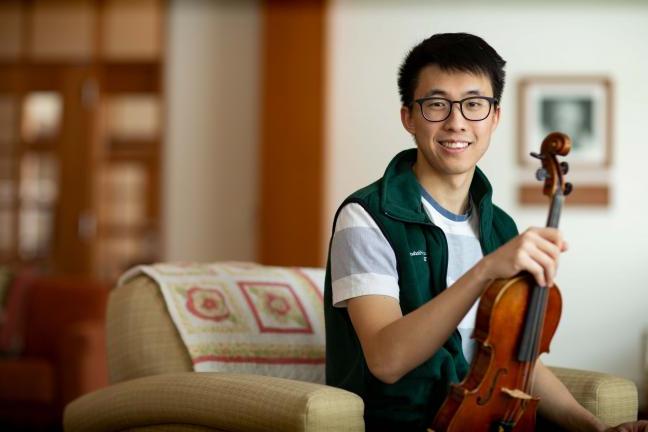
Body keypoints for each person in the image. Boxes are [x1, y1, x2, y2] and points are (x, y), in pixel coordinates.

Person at [323, 33, 647, 432]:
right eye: (436, 104)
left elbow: (513, 360)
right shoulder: (367, 216)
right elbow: (385, 361)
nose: (456, 121)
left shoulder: (499, 227)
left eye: (474, 104)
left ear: (494, 117)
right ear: (408, 116)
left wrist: (594, 427)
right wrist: (485, 271)